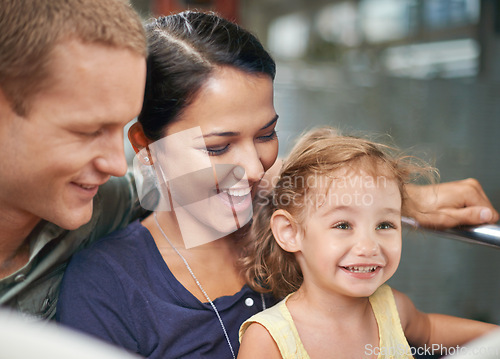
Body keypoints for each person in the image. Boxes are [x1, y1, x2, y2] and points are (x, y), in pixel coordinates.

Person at [56, 10, 499, 359]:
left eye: (266, 134)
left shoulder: (300, 227)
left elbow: (408, 328)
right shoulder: (106, 288)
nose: (253, 167)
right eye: (217, 147)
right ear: (146, 145)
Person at [237, 127, 498, 359]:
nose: (369, 246)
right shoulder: (267, 339)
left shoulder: (392, 308)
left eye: (384, 225)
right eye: (343, 225)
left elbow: (429, 332)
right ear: (290, 232)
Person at [0, 0, 147, 319]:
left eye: (121, 128)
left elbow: (214, 179)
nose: (117, 166)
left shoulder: (107, 203)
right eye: (89, 131)